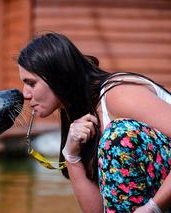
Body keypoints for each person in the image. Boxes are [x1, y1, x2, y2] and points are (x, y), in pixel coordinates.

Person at [17, 32, 171, 212]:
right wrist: (71, 155)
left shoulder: (118, 94)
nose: (25, 94)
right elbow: (96, 211)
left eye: (31, 83)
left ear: (58, 77)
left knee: (118, 136)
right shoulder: (75, 115)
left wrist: (154, 206)